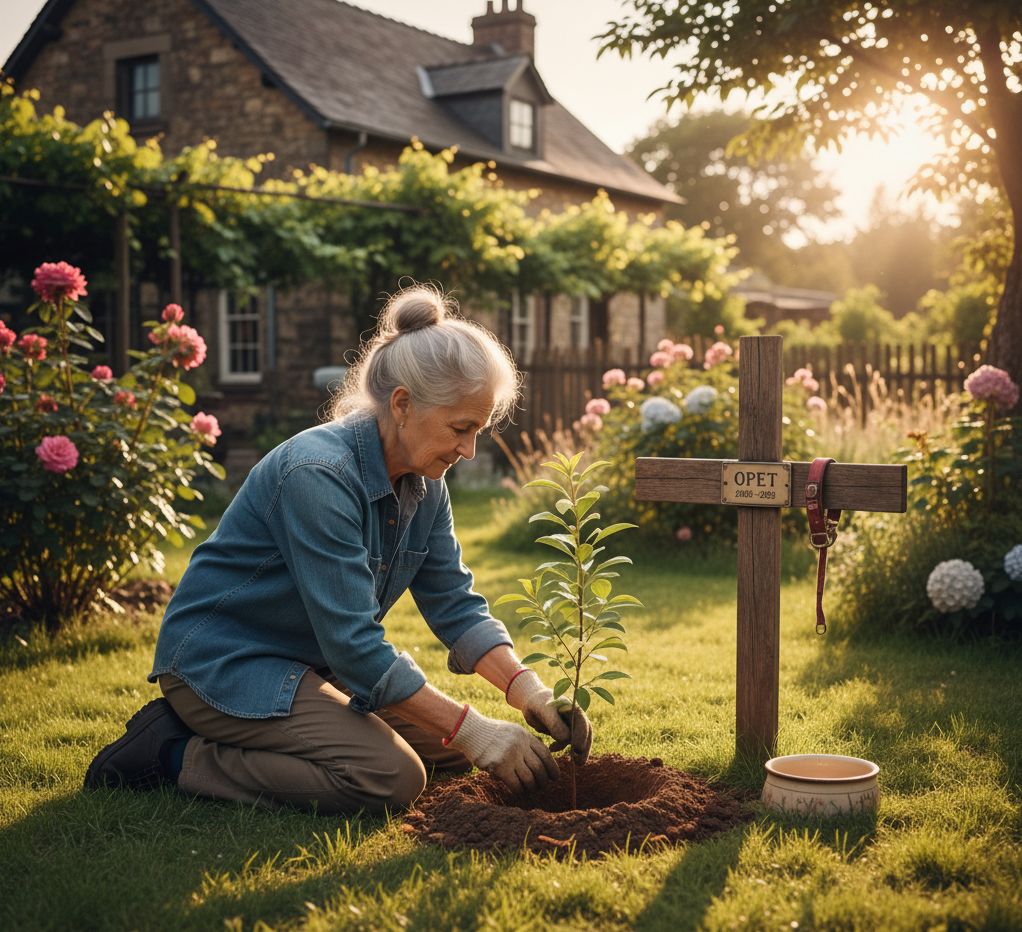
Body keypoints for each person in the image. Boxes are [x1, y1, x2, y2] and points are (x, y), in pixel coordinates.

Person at [84, 285, 592, 814]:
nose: (467, 450)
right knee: (390, 777)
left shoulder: (424, 480)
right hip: (225, 663)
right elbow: (354, 645)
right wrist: (477, 730)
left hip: (308, 669)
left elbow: (455, 604)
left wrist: (527, 691)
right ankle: (171, 750)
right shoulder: (319, 474)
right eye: (460, 429)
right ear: (402, 404)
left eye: (477, 431)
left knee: (447, 754)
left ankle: (257, 734)